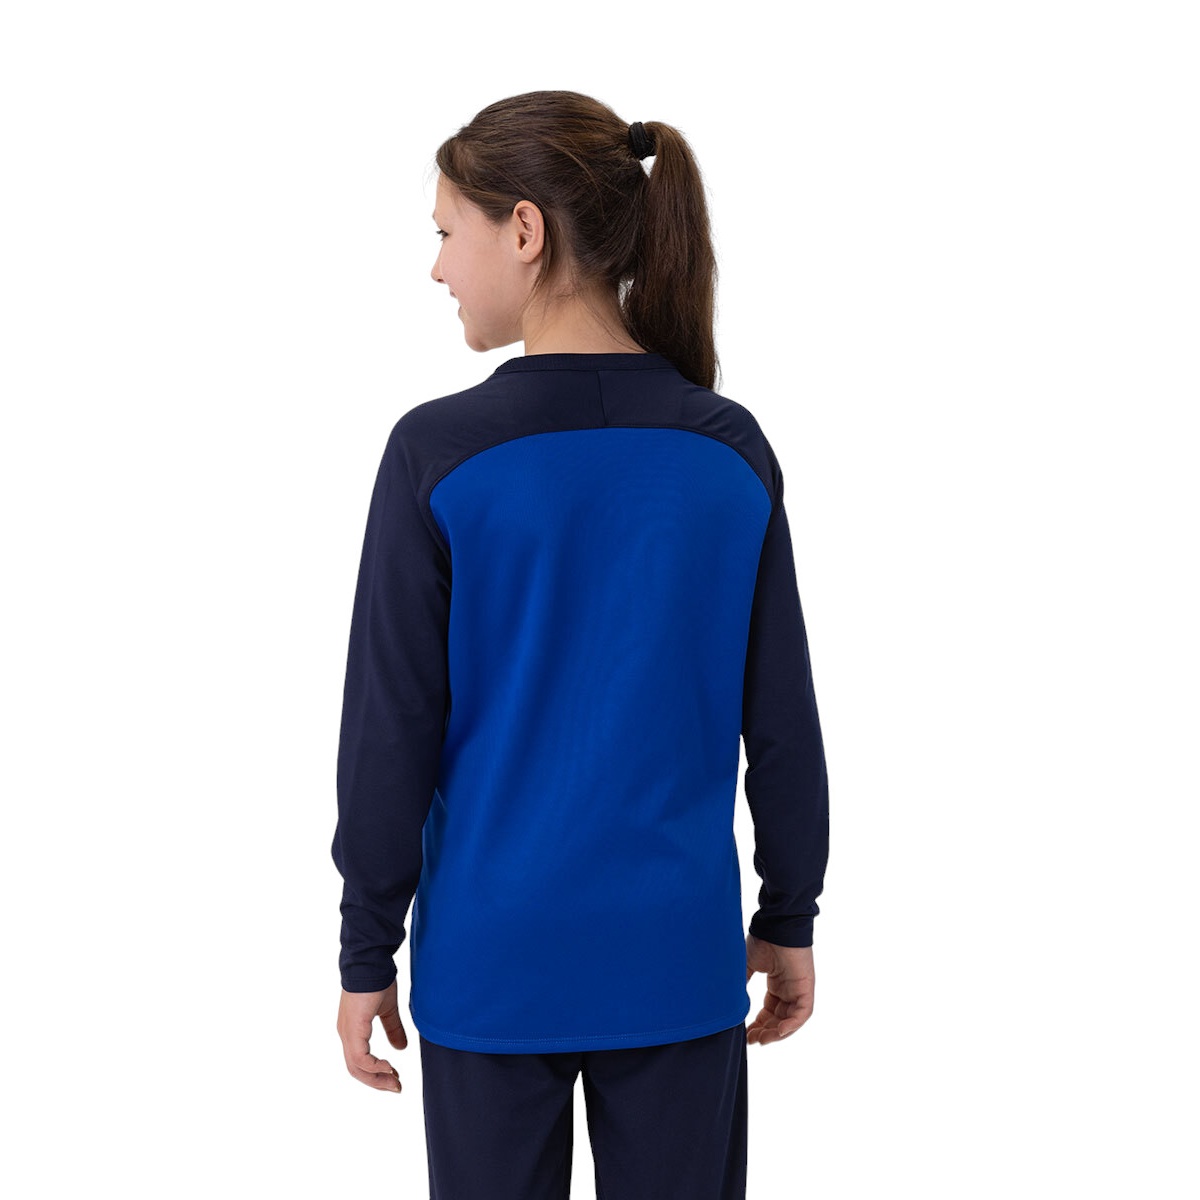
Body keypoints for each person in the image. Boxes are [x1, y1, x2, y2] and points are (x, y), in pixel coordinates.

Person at [331, 90, 830, 1200]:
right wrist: (787, 913)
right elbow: (781, 717)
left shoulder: (438, 454)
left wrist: (367, 948)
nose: (438, 268)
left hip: (492, 965)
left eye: (446, 232)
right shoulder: (728, 449)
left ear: (524, 229)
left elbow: (391, 729)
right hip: (676, 957)